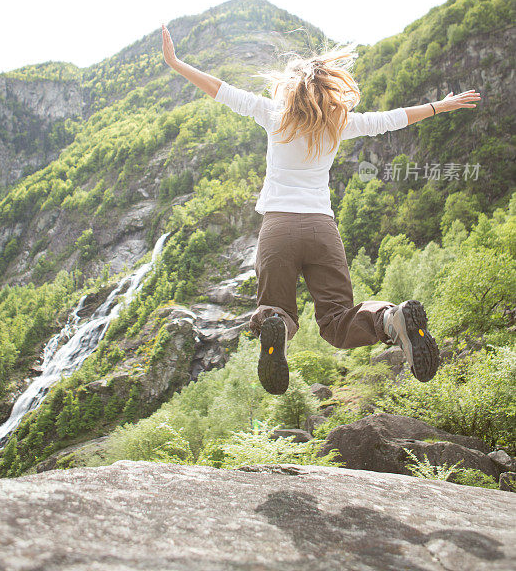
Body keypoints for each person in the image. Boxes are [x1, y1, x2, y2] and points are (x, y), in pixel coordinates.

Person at [161, 23, 481, 395]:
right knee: (337, 321)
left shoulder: (273, 114)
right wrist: (438, 106)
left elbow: (223, 91)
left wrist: (177, 62)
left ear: (290, 89)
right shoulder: (338, 124)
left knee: (276, 309)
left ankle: (275, 327)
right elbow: (390, 120)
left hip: (278, 229)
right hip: (321, 231)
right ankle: (392, 319)